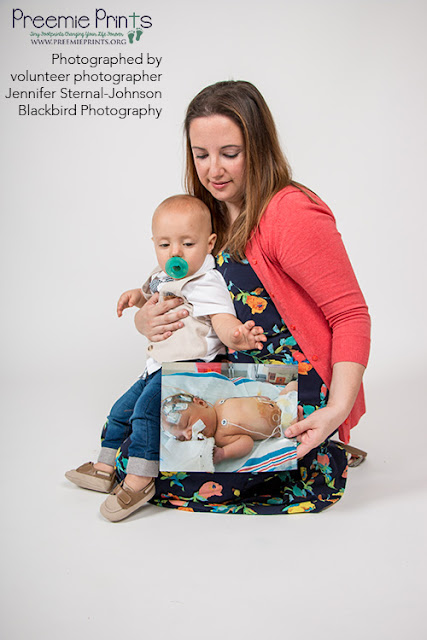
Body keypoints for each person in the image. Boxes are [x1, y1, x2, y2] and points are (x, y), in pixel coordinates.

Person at [128, 80, 371, 515]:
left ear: (257, 148)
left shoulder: (290, 213)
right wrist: (145, 320)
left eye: (229, 153)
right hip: (230, 372)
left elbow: (351, 315)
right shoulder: (206, 215)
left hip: (289, 381)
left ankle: (325, 444)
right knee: (142, 443)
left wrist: (337, 408)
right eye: (201, 155)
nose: (213, 170)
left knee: (191, 475)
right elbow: (180, 291)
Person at [65, 194, 266, 522]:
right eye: (164, 244)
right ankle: (104, 468)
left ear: (209, 243)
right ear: (154, 244)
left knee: (147, 412)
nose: (175, 253)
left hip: (190, 367)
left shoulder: (205, 281)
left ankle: (140, 480)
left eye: (187, 243)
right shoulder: (163, 275)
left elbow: (222, 318)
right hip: (157, 366)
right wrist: (136, 297)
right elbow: (150, 295)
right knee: (120, 411)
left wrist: (236, 335)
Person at [161, 383, 298, 464]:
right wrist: (223, 453)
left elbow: (243, 401)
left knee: (293, 385)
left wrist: (259, 399)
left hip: (279, 401)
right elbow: (247, 442)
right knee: (299, 421)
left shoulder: (220, 402)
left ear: (201, 403)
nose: (188, 435)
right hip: (283, 423)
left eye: (187, 423)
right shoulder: (221, 437)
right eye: (182, 438)